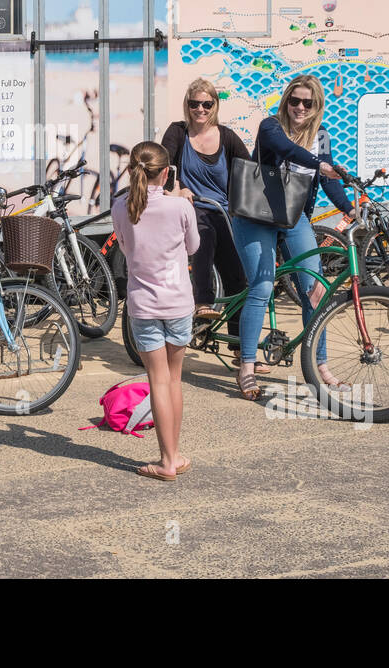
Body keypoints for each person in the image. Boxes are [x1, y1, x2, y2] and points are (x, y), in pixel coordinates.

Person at [231, 75, 357, 400]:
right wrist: (319, 165)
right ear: (286, 100)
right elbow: (287, 150)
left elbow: (328, 180)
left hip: (293, 215)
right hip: (257, 214)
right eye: (294, 100)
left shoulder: (322, 136)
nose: (300, 108)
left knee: (315, 290)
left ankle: (320, 367)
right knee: (261, 286)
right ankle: (246, 367)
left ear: (317, 106)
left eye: (307, 103)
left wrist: (350, 208)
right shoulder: (271, 126)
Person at [111, 141, 199, 482]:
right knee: (174, 380)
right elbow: (193, 247)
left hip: (144, 306)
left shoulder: (121, 207)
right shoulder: (180, 208)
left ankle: (166, 461)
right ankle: (172, 456)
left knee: (157, 381)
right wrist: (179, 198)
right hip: (178, 302)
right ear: (166, 173)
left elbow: (123, 245)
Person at [159, 79, 251, 342]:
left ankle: (237, 346)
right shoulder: (178, 132)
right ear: (187, 105)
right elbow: (163, 166)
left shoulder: (228, 137)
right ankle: (203, 302)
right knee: (203, 233)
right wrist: (179, 187)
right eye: (194, 104)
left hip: (223, 211)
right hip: (189, 208)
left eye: (206, 104)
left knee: (237, 277)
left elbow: (249, 172)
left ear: (215, 105)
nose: (200, 109)